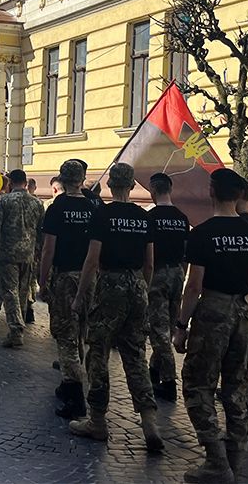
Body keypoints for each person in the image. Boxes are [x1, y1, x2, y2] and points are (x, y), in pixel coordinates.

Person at [175, 168, 248, 482]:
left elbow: (194, 285)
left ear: (211, 191)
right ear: (240, 195)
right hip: (245, 310)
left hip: (213, 310)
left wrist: (181, 324)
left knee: (198, 383)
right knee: (237, 387)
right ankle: (235, 459)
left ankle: (215, 459)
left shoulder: (201, 232)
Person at [64, 163, 163, 450]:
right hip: (137, 287)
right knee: (135, 356)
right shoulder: (144, 218)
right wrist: (141, 287)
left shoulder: (102, 215)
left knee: (98, 353)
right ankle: (150, 424)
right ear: (132, 186)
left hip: (109, 285)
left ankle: (97, 420)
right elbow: (150, 263)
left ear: (110, 185)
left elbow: (92, 259)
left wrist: (81, 295)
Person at [39, 159, 95, 420]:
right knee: (81, 330)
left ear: (61, 179)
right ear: (82, 179)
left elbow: (49, 248)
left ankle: (75, 396)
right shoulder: (95, 205)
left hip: (65, 277)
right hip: (89, 276)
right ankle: (68, 383)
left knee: (66, 335)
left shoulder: (57, 206)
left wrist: (42, 280)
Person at [0, 169, 44, 348]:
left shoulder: (4, 201)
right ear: (25, 183)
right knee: (23, 293)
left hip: (8, 253)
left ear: (10, 183)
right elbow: (42, 231)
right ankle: (20, 323)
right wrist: (39, 251)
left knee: (9, 290)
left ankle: (16, 329)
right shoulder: (37, 203)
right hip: (29, 255)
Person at [145, 173, 189, 403]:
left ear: (153, 191)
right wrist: (182, 274)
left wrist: (146, 280)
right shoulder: (182, 218)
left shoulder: (150, 218)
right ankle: (153, 370)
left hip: (158, 275)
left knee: (158, 330)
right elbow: (186, 252)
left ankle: (169, 381)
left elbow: (147, 255)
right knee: (168, 325)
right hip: (178, 273)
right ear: (170, 191)